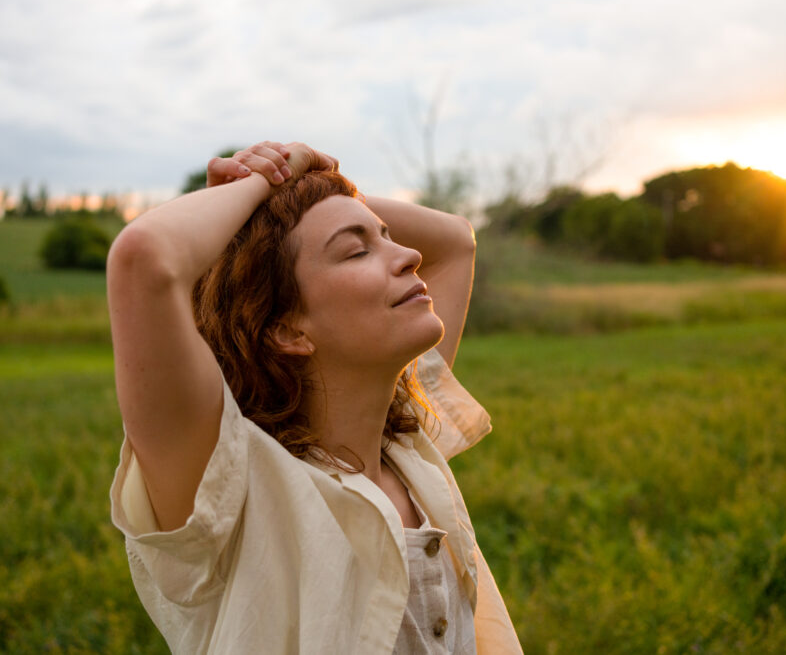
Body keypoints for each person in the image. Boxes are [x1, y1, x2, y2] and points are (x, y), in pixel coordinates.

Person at [107, 141, 522, 653]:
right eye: (357, 249)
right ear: (287, 328)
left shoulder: (404, 441)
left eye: (387, 237)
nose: (410, 256)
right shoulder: (232, 490)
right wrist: (259, 188)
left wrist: (309, 187)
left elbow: (455, 240)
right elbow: (143, 258)